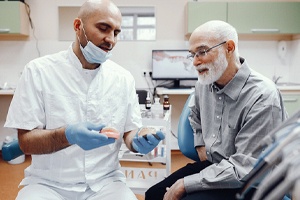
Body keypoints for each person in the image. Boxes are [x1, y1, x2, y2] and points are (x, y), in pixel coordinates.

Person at [4, 0, 165, 199]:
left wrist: (138, 140)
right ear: (78, 26)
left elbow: (129, 131)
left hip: (106, 182)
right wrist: (67, 135)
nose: (111, 39)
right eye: (103, 28)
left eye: (116, 32)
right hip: (48, 184)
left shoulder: (123, 79)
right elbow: (26, 142)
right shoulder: (38, 71)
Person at [145, 20, 288, 200]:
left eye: (202, 52)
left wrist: (186, 184)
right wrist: (200, 144)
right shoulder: (203, 83)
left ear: (229, 47)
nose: (195, 62)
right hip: (217, 167)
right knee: (153, 195)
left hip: (252, 179)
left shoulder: (263, 96)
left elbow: (245, 167)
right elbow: (194, 116)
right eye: (192, 55)